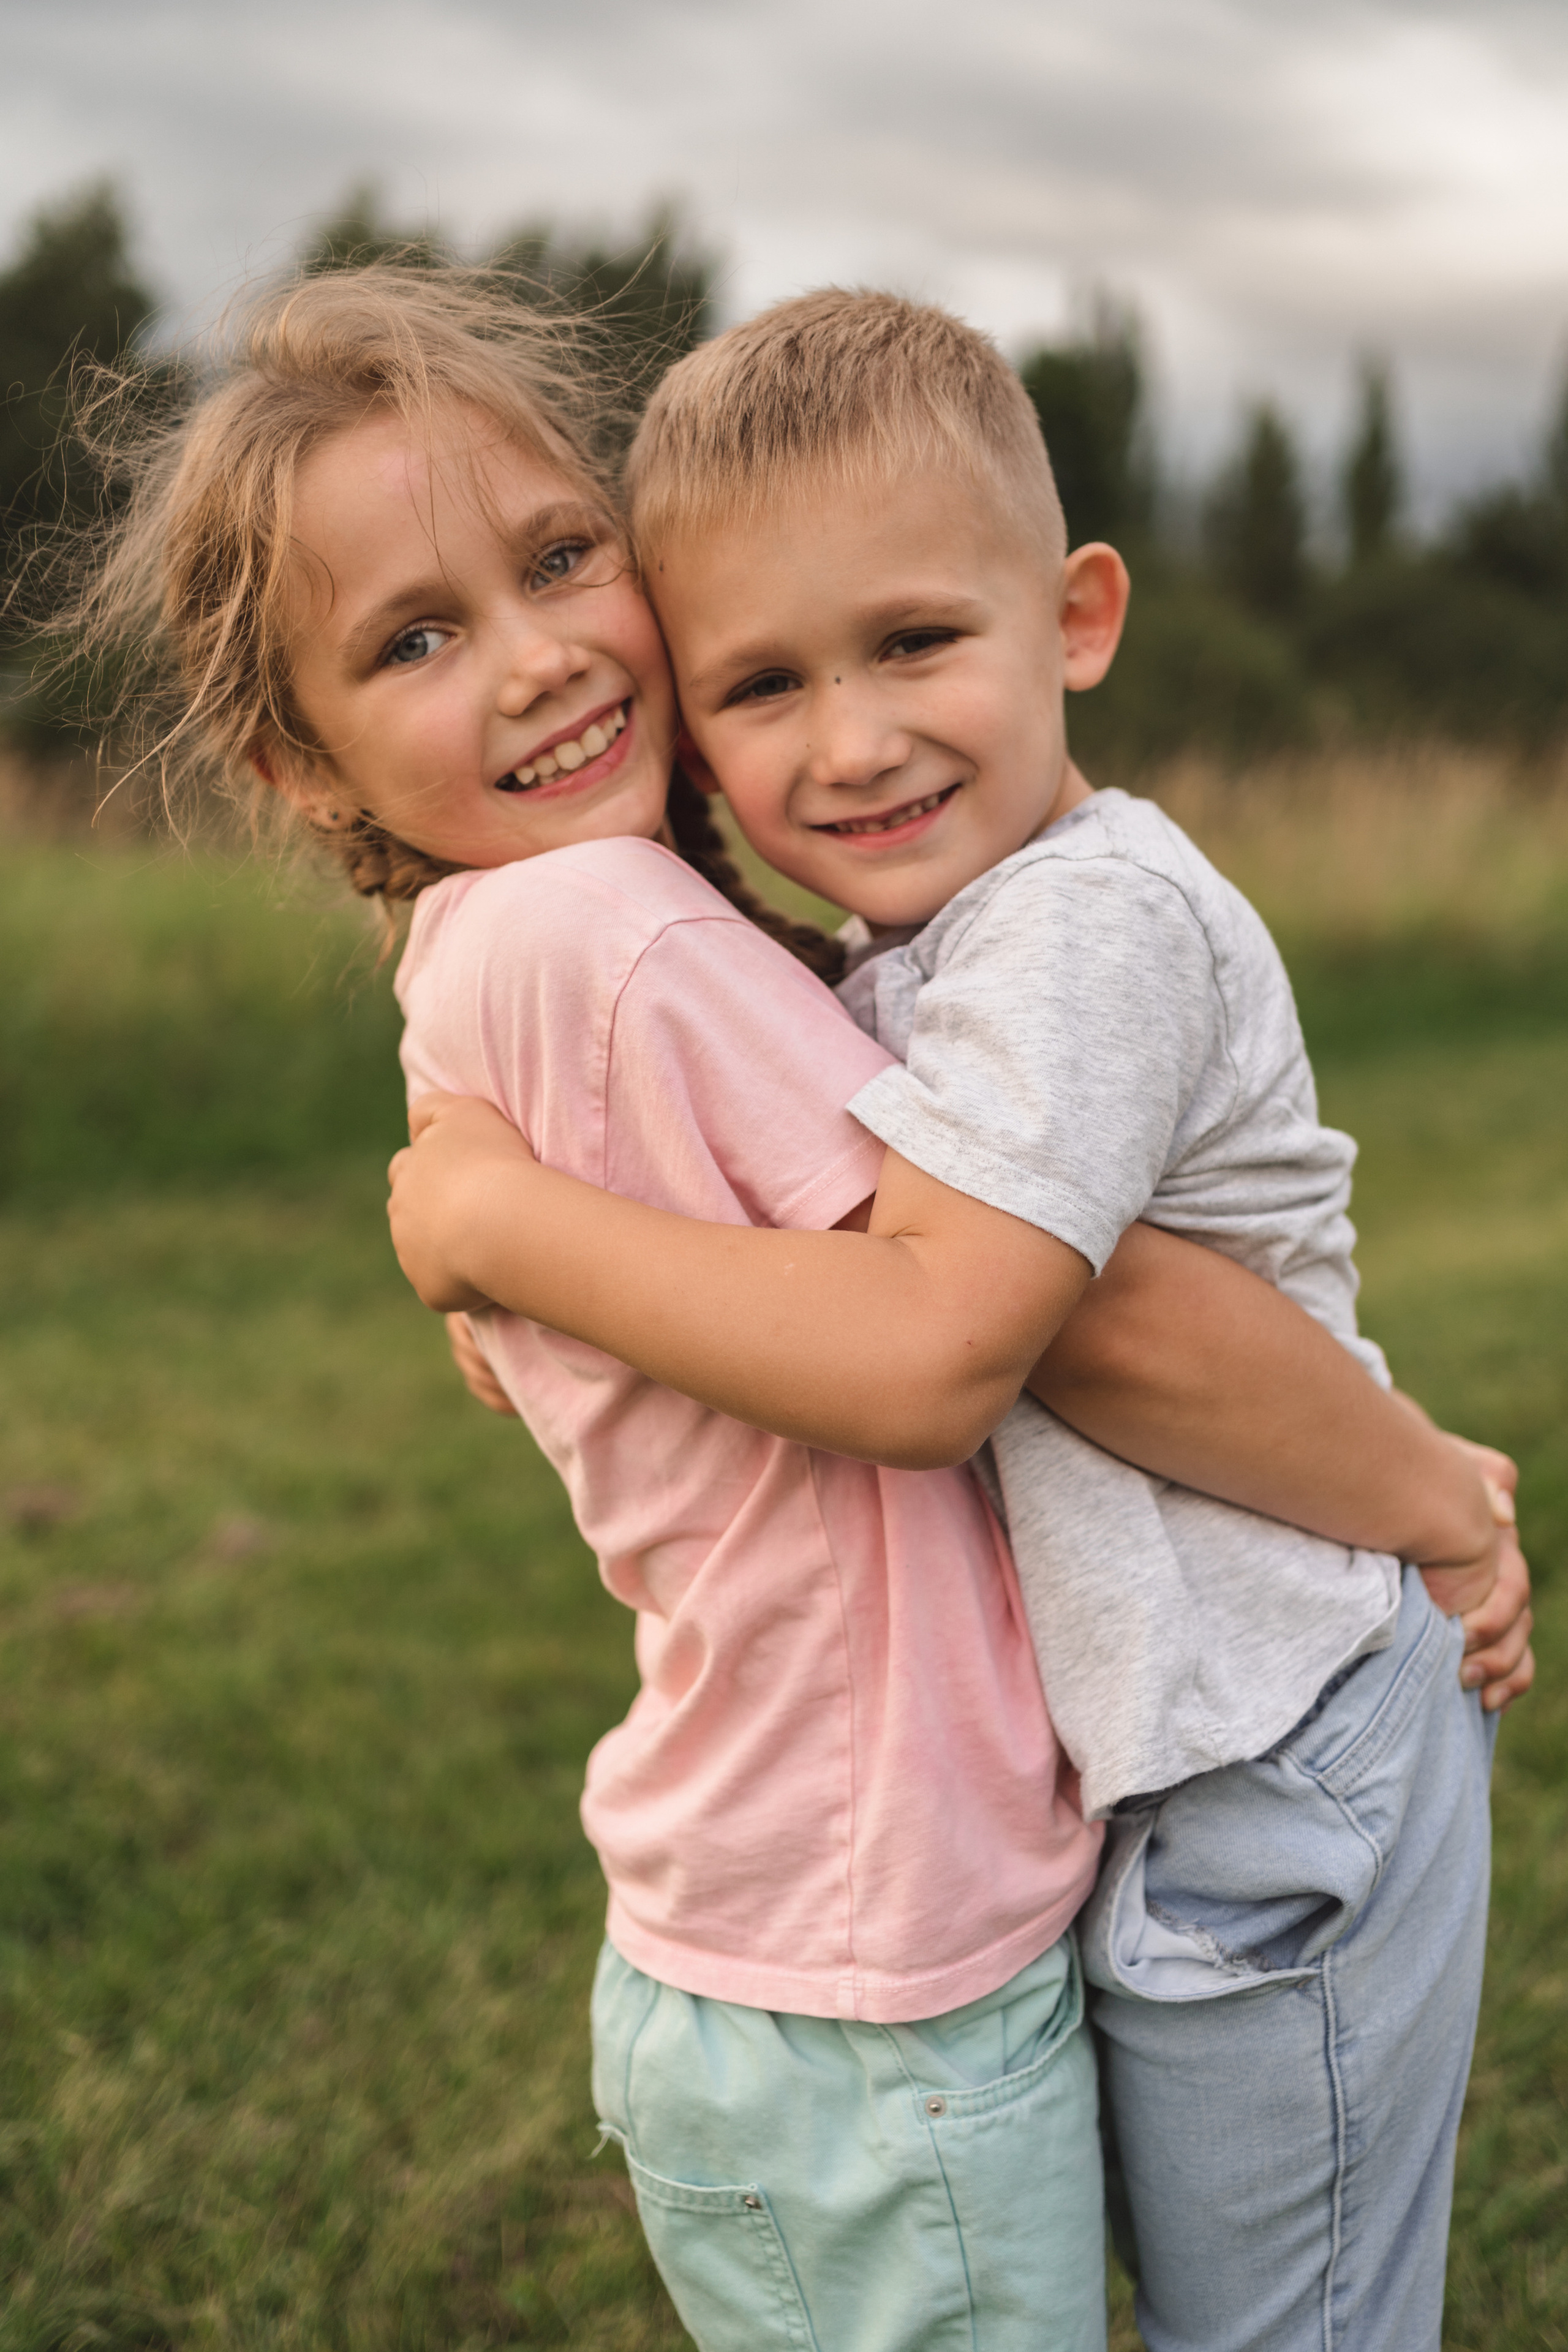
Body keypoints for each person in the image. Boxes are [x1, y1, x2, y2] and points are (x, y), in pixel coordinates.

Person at [386, 291, 1533, 2352]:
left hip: (1269, 1751)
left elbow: (950, 1346)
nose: (851, 740)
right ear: (694, 739)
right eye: (761, 685)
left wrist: (506, 1226)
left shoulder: (1083, 923)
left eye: (915, 642)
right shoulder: (902, 948)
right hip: (1168, 1753)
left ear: (1077, 615)